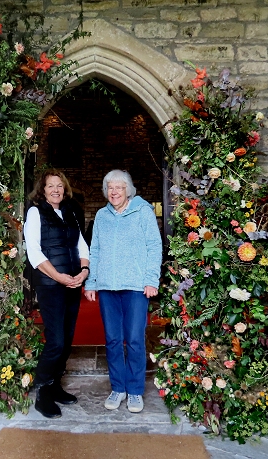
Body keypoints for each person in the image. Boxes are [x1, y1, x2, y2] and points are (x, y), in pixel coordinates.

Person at [84, 169, 162, 414]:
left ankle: (136, 390)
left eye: (119, 187)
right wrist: (91, 282)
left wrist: (151, 280)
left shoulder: (143, 212)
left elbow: (154, 245)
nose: (114, 192)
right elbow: (94, 249)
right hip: (108, 287)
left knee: (136, 339)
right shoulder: (101, 216)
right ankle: (118, 387)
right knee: (113, 340)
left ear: (128, 190)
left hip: (136, 287)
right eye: (110, 188)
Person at [24, 168, 90, 418]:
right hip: (51, 286)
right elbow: (35, 252)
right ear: (42, 189)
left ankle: (55, 385)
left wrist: (83, 271)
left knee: (68, 339)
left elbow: (81, 243)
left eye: (60, 186)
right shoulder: (35, 212)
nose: (56, 190)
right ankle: (42, 392)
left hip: (73, 282)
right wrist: (58, 277)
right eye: (51, 186)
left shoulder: (71, 211)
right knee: (56, 341)